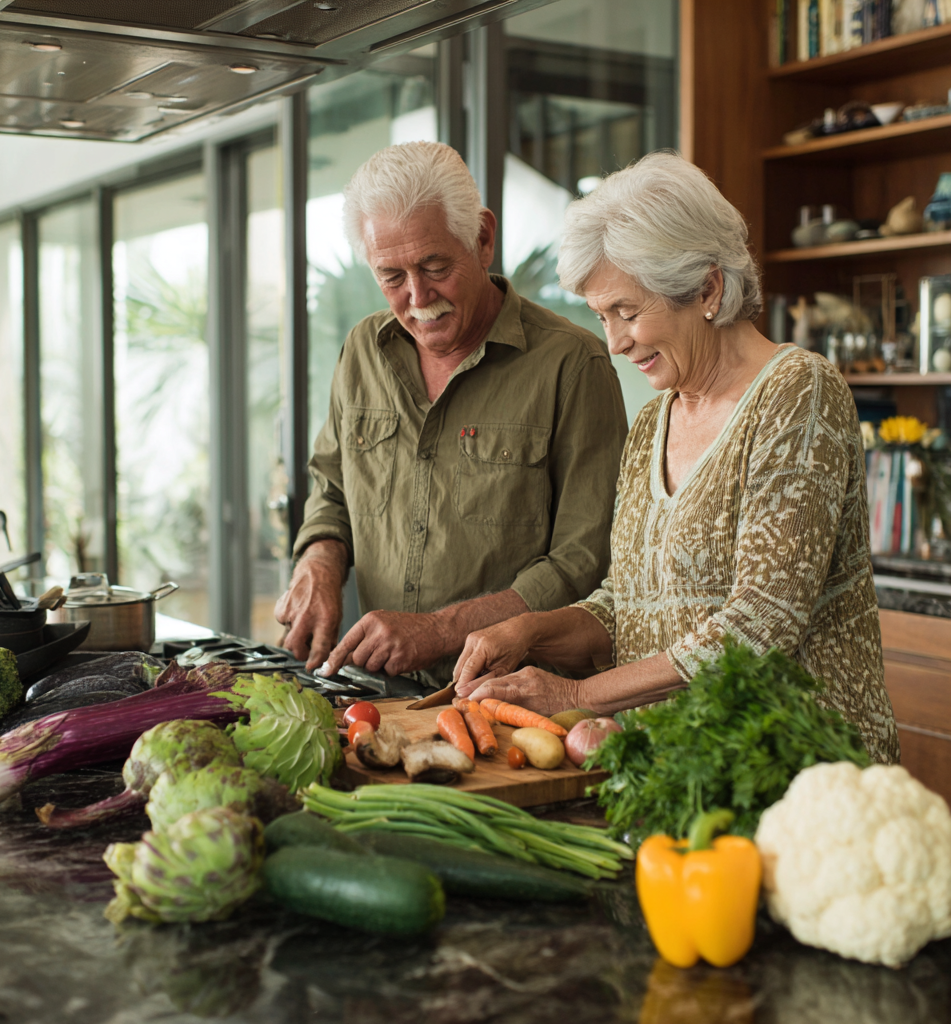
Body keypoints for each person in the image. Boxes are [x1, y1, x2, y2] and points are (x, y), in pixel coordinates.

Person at [454, 151, 898, 764]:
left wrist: (578, 693)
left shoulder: (799, 392)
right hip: (683, 768)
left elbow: (759, 625)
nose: (613, 342)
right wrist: (533, 631)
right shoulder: (650, 424)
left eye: (627, 313)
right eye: (601, 316)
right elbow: (630, 604)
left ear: (707, 288)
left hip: (800, 775)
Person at [275, 141, 628, 685]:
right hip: (379, 690)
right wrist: (320, 559)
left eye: (435, 265)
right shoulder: (362, 349)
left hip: (517, 697)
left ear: (482, 238)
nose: (418, 296)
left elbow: (585, 560)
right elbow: (333, 488)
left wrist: (442, 630)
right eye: (391, 276)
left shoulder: (572, 362)